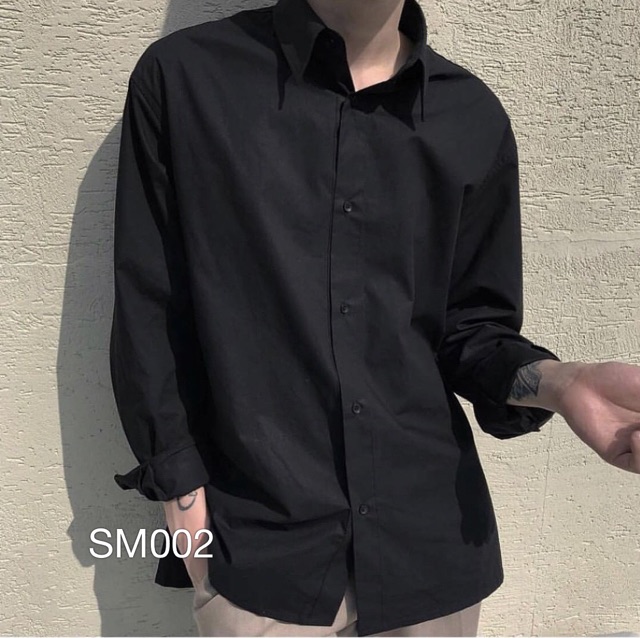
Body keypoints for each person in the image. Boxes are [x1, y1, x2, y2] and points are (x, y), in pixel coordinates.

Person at [108, 0, 640, 635]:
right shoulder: (187, 79)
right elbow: (150, 306)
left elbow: (471, 330)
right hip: (259, 550)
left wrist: (560, 383)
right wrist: (182, 497)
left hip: (430, 551)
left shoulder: (471, 116)